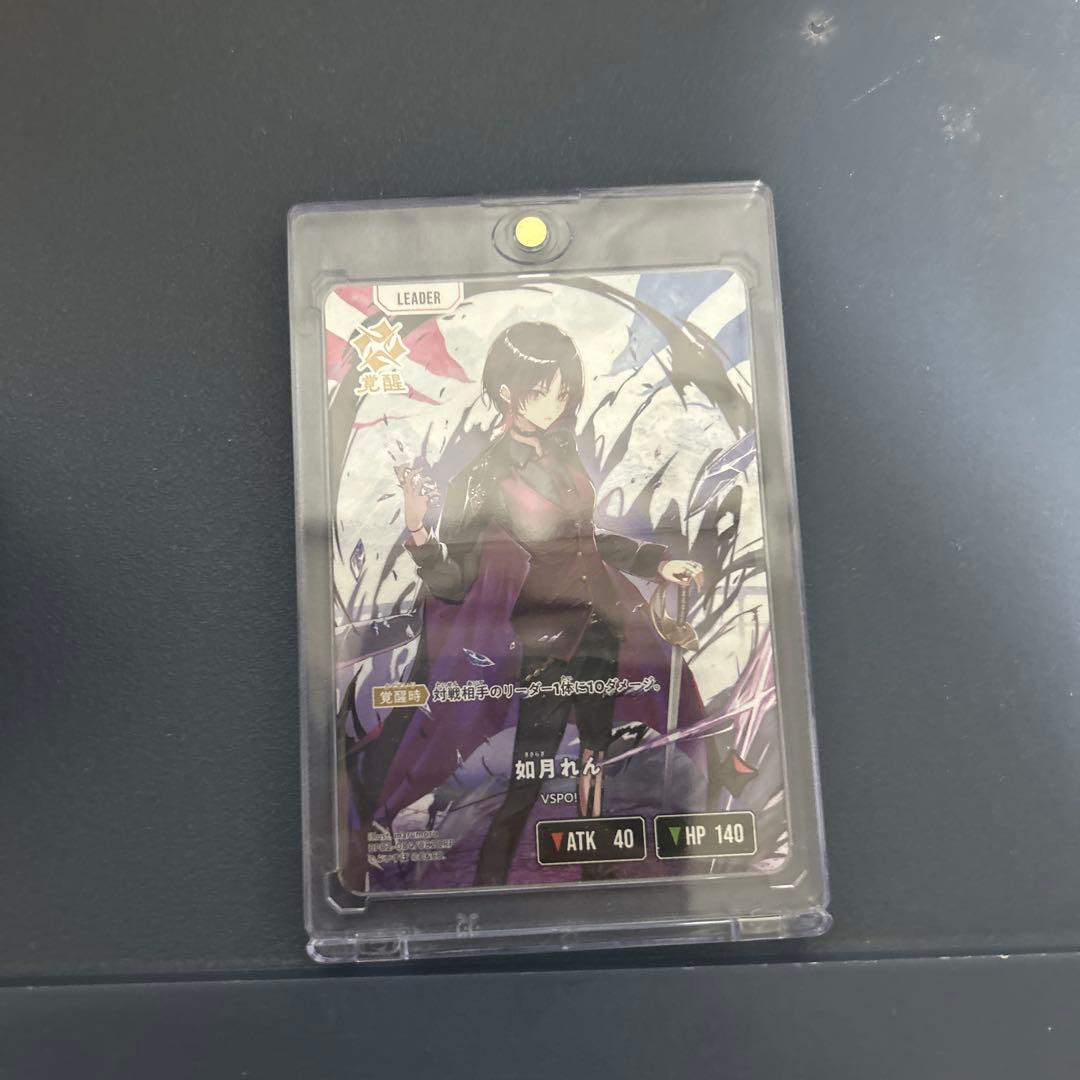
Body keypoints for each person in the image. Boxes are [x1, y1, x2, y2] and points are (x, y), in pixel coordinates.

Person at [395, 322, 704, 886]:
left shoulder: (563, 453)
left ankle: (594, 866)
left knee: (595, 753)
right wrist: (417, 530)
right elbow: (454, 582)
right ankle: (490, 881)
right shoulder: (482, 476)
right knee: (530, 772)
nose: (557, 404)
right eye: (545, 391)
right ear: (508, 391)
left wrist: (655, 562)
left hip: (601, 628)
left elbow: (587, 537)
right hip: (544, 642)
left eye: (564, 392)